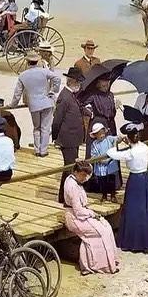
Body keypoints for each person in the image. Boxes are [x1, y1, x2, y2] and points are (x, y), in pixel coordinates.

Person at [107, 123, 148, 253]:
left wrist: (116, 142)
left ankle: (133, 241)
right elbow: (135, 146)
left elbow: (112, 153)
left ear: (129, 138)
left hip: (135, 180)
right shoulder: (143, 147)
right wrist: (129, 142)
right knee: (146, 209)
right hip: (145, 178)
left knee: (133, 209)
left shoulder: (130, 153)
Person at [63, 160, 120, 275]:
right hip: (74, 217)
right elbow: (78, 211)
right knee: (101, 231)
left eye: (85, 175)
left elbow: (89, 172)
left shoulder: (73, 179)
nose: (84, 178)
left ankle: (109, 261)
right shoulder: (72, 186)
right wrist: (92, 214)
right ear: (75, 172)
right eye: (82, 175)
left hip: (81, 213)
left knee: (106, 225)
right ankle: (94, 265)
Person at [10, 51, 61, 157]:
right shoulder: (43, 71)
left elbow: (17, 93)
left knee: (36, 127)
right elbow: (57, 78)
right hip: (47, 102)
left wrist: (13, 105)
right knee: (45, 128)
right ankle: (43, 150)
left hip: (34, 105)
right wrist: (53, 90)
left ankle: (37, 150)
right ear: (37, 61)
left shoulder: (23, 75)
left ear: (28, 62)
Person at [52, 67, 85, 203]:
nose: (80, 85)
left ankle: (67, 196)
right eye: (78, 82)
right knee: (69, 168)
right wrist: (55, 138)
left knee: (71, 167)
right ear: (73, 81)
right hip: (67, 139)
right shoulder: (65, 97)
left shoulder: (72, 95)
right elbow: (57, 119)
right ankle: (64, 197)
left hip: (74, 138)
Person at [89, 123, 123, 203]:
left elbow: (117, 139)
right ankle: (104, 195)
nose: (102, 135)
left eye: (103, 133)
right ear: (95, 135)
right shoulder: (94, 144)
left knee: (111, 181)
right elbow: (93, 155)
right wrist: (98, 159)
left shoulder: (109, 139)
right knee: (103, 181)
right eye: (99, 134)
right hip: (101, 165)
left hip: (110, 164)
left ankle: (113, 195)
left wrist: (120, 138)